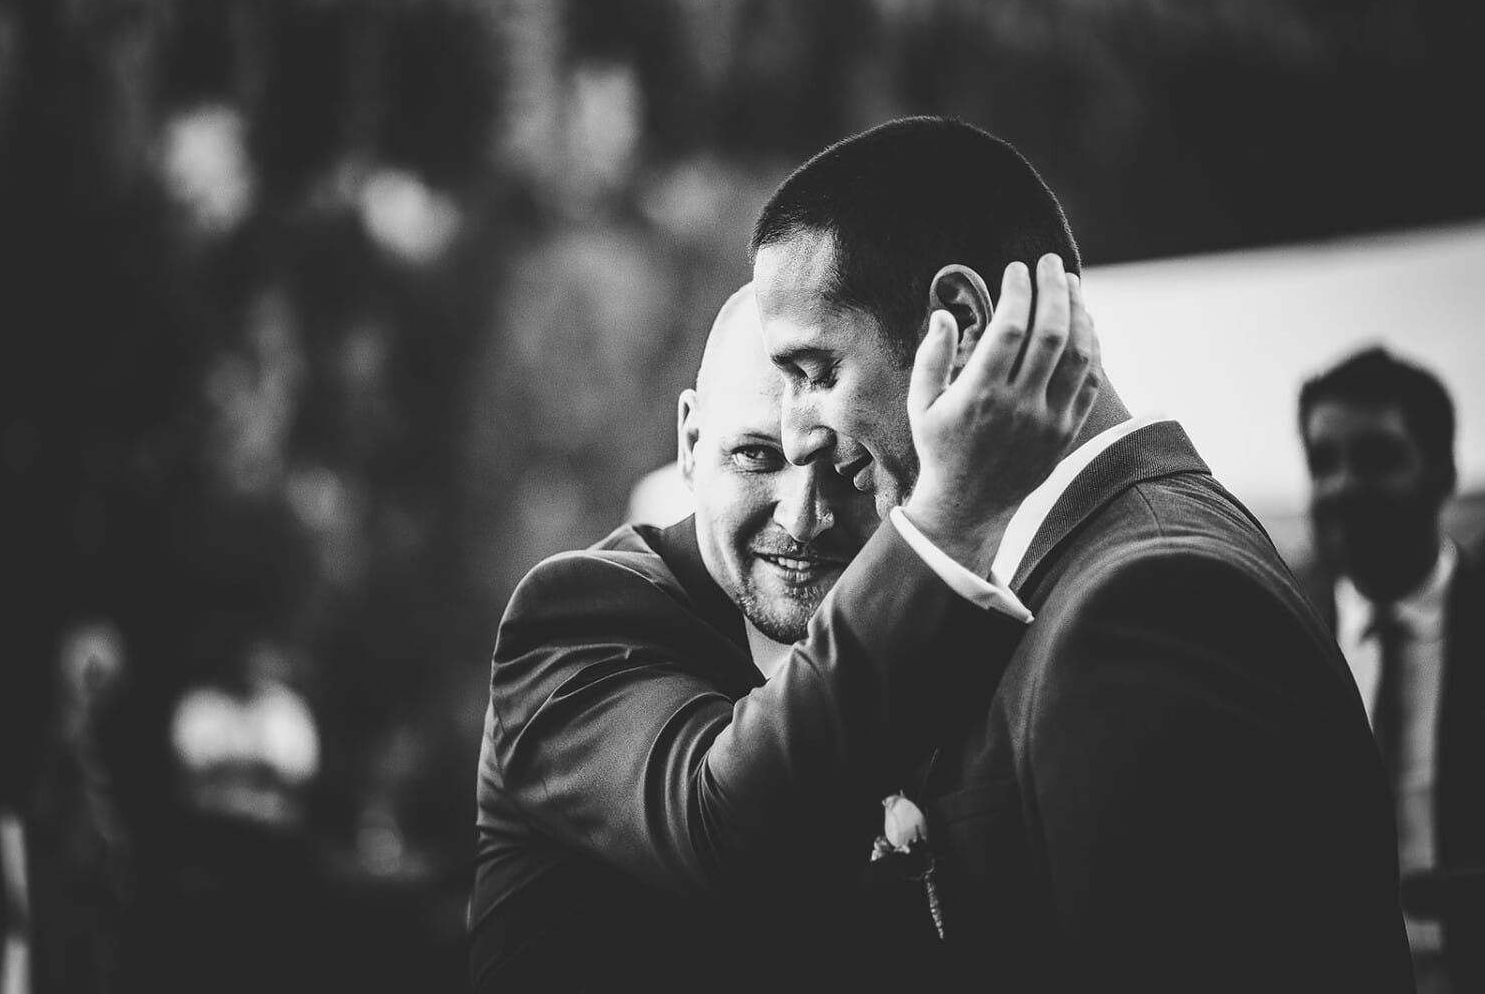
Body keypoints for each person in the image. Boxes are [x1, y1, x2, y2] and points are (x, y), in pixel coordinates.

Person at [749, 115, 1413, 993]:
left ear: (957, 319)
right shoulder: (1094, 565)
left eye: (816, 372)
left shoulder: (1150, 599)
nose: (796, 436)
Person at [468, 280, 1097, 992]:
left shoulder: (945, 634)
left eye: (848, 468)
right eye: (757, 458)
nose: (804, 517)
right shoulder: (576, 618)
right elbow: (723, 822)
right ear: (690, 442)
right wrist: (949, 520)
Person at [1297, 346, 1484, 994]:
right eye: (1324, 463)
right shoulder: (1277, 639)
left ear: (1442, 472)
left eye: (1377, 457)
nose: (1344, 485)